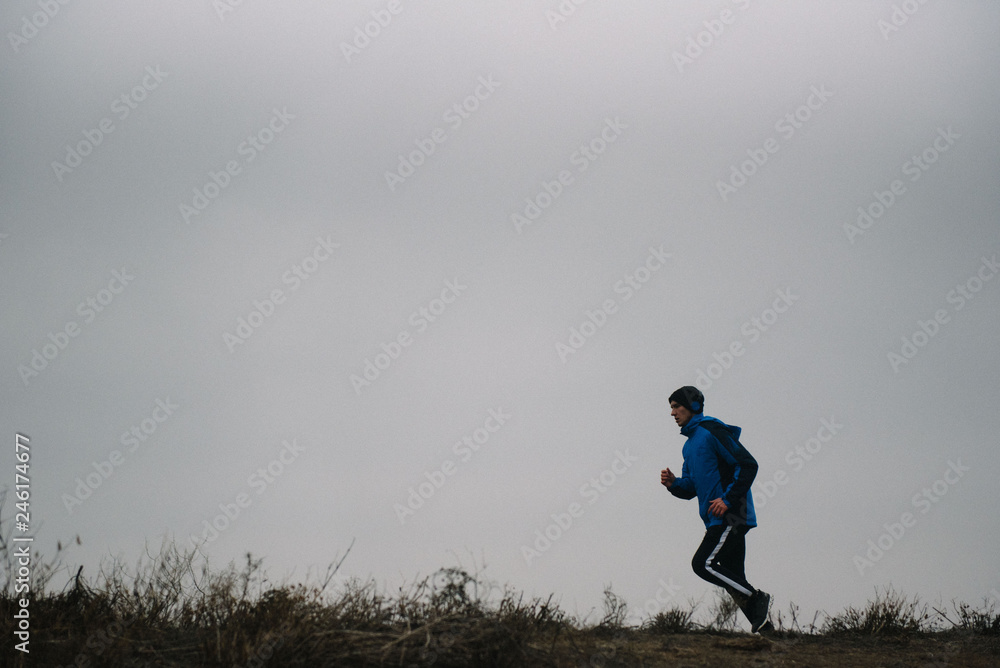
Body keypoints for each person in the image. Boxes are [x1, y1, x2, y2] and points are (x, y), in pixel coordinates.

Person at [660, 386, 772, 633]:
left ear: (693, 407)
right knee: (733, 576)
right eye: (671, 408)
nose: (672, 413)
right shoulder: (689, 446)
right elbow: (691, 487)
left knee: (703, 564)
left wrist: (727, 500)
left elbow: (748, 464)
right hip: (714, 518)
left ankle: (757, 597)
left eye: (676, 407)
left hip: (731, 514)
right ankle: (767, 631)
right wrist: (674, 483)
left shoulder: (712, 430)